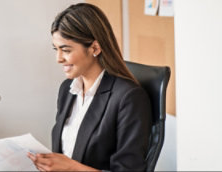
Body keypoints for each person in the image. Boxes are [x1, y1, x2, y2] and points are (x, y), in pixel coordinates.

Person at [27, 3, 152, 171]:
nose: (58, 58)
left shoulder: (128, 98)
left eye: (66, 50)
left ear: (95, 48)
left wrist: (72, 168)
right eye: (56, 49)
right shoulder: (68, 89)